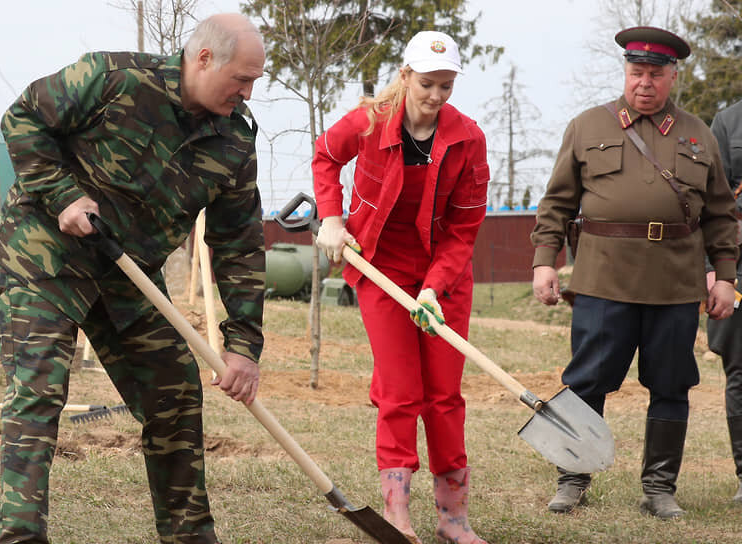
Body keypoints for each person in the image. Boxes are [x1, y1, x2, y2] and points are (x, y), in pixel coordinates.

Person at [0, 13, 266, 544]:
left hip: (127, 275)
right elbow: (23, 117)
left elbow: (239, 244)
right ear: (204, 58)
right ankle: (19, 534)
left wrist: (244, 346)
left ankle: (189, 535)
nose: (248, 92)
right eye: (242, 78)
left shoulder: (233, 141)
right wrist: (62, 193)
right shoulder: (115, 79)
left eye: (255, 81)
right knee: (40, 388)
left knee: (175, 393)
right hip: (44, 257)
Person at [530, 26, 739, 519]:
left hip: (674, 283)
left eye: (656, 74)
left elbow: (721, 214)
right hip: (603, 279)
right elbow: (556, 203)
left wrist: (725, 276)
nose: (645, 83)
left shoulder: (698, 134)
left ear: (672, 76)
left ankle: (659, 488)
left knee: (670, 382)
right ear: (625, 73)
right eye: (636, 72)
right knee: (587, 380)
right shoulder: (587, 127)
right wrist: (544, 261)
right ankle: (572, 479)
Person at [313, 30, 490, 544]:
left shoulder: (468, 138)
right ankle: (398, 513)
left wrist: (435, 288)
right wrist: (330, 217)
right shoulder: (369, 122)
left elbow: (463, 229)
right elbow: (326, 156)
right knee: (399, 393)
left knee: (443, 395)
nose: (436, 97)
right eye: (427, 84)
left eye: (447, 86)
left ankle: (453, 518)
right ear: (406, 76)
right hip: (382, 271)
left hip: (445, 277)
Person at [708, 97, 742, 503]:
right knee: (741, 369)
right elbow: (712, 202)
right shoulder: (728, 121)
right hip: (738, 265)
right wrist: (713, 268)